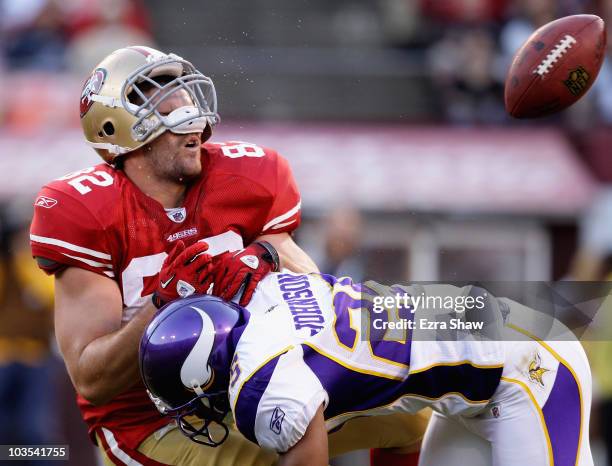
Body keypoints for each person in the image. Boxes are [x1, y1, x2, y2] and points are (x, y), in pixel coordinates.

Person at [29, 45, 428, 465]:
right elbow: (93, 379)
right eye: (167, 107)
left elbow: (304, 277)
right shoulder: (89, 211)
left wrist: (266, 255)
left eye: (187, 99)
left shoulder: (241, 179)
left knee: (405, 416)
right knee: (275, 455)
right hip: (146, 422)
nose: (192, 119)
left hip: (243, 390)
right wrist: (161, 308)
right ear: (120, 129)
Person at [140, 272, 593, 466]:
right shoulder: (268, 295)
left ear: (203, 373)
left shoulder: (259, 387)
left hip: (529, 369)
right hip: (475, 387)